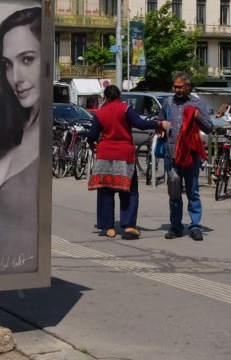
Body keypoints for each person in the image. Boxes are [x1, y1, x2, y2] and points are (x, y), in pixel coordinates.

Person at [0, 6, 42, 275]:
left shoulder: (42, 142)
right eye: (8, 63)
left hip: (23, 296)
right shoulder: (13, 133)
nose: (16, 77)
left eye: (27, 59)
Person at [86, 85, 160, 239]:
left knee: (106, 190)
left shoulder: (100, 113)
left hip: (105, 154)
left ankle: (108, 228)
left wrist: (92, 143)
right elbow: (140, 124)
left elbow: (92, 135)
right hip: (124, 154)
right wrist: (158, 124)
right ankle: (128, 224)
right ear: (119, 96)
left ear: (105, 97)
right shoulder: (126, 109)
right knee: (129, 190)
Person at [159, 72, 213, 241]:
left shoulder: (197, 103)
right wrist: (161, 125)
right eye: (175, 86)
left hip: (191, 155)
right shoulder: (168, 102)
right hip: (171, 155)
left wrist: (198, 117)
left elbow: (209, 127)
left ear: (188, 86)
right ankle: (176, 227)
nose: (177, 90)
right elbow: (159, 121)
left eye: (180, 87)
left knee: (193, 191)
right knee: (174, 193)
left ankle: (195, 226)